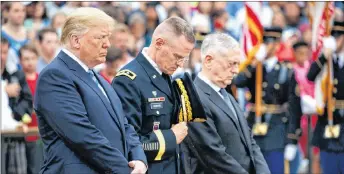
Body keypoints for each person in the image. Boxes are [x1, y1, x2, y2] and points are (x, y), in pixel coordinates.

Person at [34, 7, 147, 174]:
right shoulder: (55, 76)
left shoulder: (97, 77)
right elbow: (83, 136)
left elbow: (124, 125)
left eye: (108, 37)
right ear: (76, 41)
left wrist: (138, 158)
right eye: (100, 37)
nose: (107, 44)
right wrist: (125, 170)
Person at [112, 16, 194, 174]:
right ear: (159, 43)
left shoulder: (166, 75)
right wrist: (171, 137)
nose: (180, 64)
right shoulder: (128, 80)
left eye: (184, 58)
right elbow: (128, 142)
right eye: (177, 56)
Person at [182, 33, 269, 174]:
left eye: (237, 64)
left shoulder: (226, 94)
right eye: (231, 64)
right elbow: (213, 155)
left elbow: (249, 141)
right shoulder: (194, 99)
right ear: (208, 61)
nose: (235, 70)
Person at [234, 27, 302, 174]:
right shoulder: (254, 68)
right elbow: (238, 82)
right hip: (253, 129)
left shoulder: (286, 70)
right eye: (264, 42)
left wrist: (292, 139)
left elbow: (294, 107)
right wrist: (253, 63)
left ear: (278, 45)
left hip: (276, 131)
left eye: (270, 42)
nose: (265, 45)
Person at [307, 21, 344, 174]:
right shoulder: (326, 61)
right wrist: (323, 57)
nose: (336, 40)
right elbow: (310, 76)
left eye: (339, 36)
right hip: (328, 125)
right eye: (333, 36)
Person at [19, 44, 44, 174]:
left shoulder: (43, 79)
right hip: (21, 134)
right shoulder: (16, 80)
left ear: (37, 59)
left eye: (33, 58)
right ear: (20, 61)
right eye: (26, 59)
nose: (29, 62)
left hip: (40, 134)